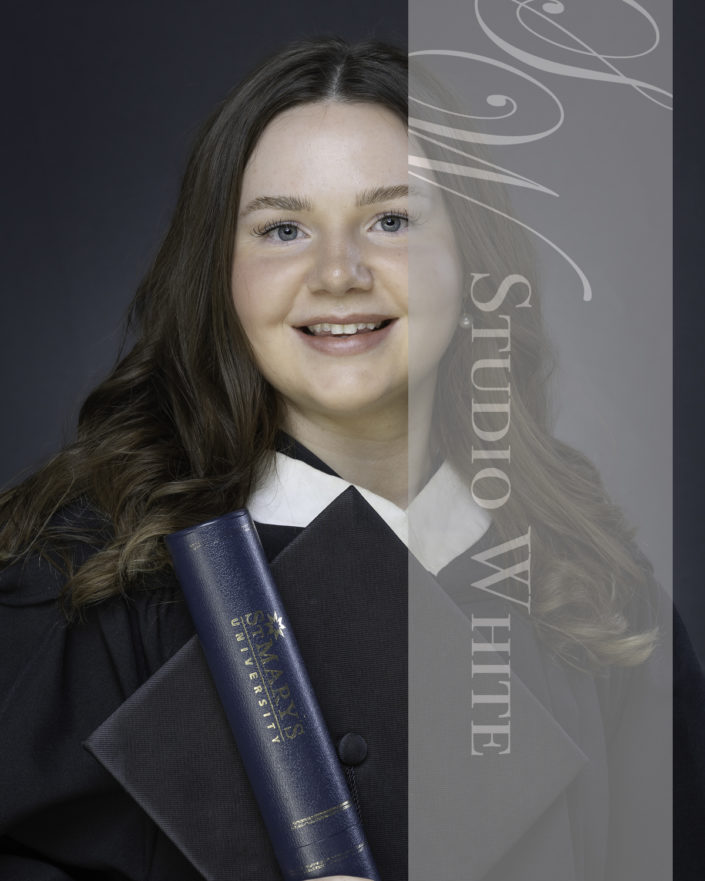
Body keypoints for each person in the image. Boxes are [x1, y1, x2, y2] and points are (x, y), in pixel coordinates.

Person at [0, 36, 701, 881]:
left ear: (472, 258)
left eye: (391, 220)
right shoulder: (84, 587)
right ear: (219, 275)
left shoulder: (595, 600)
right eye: (283, 229)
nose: (338, 272)